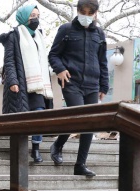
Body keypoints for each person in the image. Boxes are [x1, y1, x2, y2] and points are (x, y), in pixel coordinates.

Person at [48, 0, 109, 177]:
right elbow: (53, 54)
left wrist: (104, 85)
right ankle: (58, 145)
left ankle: (80, 164)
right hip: (71, 81)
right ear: (78, 11)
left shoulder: (99, 34)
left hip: (92, 83)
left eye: (91, 13)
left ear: (96, 14)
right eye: (84, 12)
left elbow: (103, 61)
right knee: (77, 116)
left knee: (90, 122)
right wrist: (59, 69)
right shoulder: (66, 30)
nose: (87, 16)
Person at [0, 3, 53, 163]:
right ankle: (19, 149)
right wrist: (12, 81)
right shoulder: (13, 36)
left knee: (39, 114)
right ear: (24, 17)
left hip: (37, 84)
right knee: (20, 118)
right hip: (20, 84)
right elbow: (9, 61)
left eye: (38, 16)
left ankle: (36, 148)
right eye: (32, 16)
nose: (36, 19)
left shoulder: (39, 37)